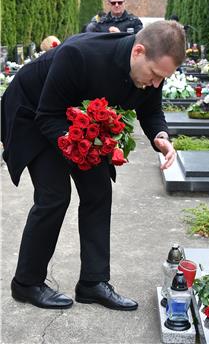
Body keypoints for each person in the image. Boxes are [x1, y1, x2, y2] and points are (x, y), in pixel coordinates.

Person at [1, 20, 186, 311]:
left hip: (80, 121)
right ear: (138, 51)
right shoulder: (79, 54)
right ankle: (26, 283)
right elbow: (48, 116)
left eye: (163, 78)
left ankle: (92, 283)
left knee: (98, 190)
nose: (156, 84)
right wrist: (75, 144)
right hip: (35, 112)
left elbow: (151, 110)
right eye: (154, 75)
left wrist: (161, 137)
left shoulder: (152, 72)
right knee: (54, 196)